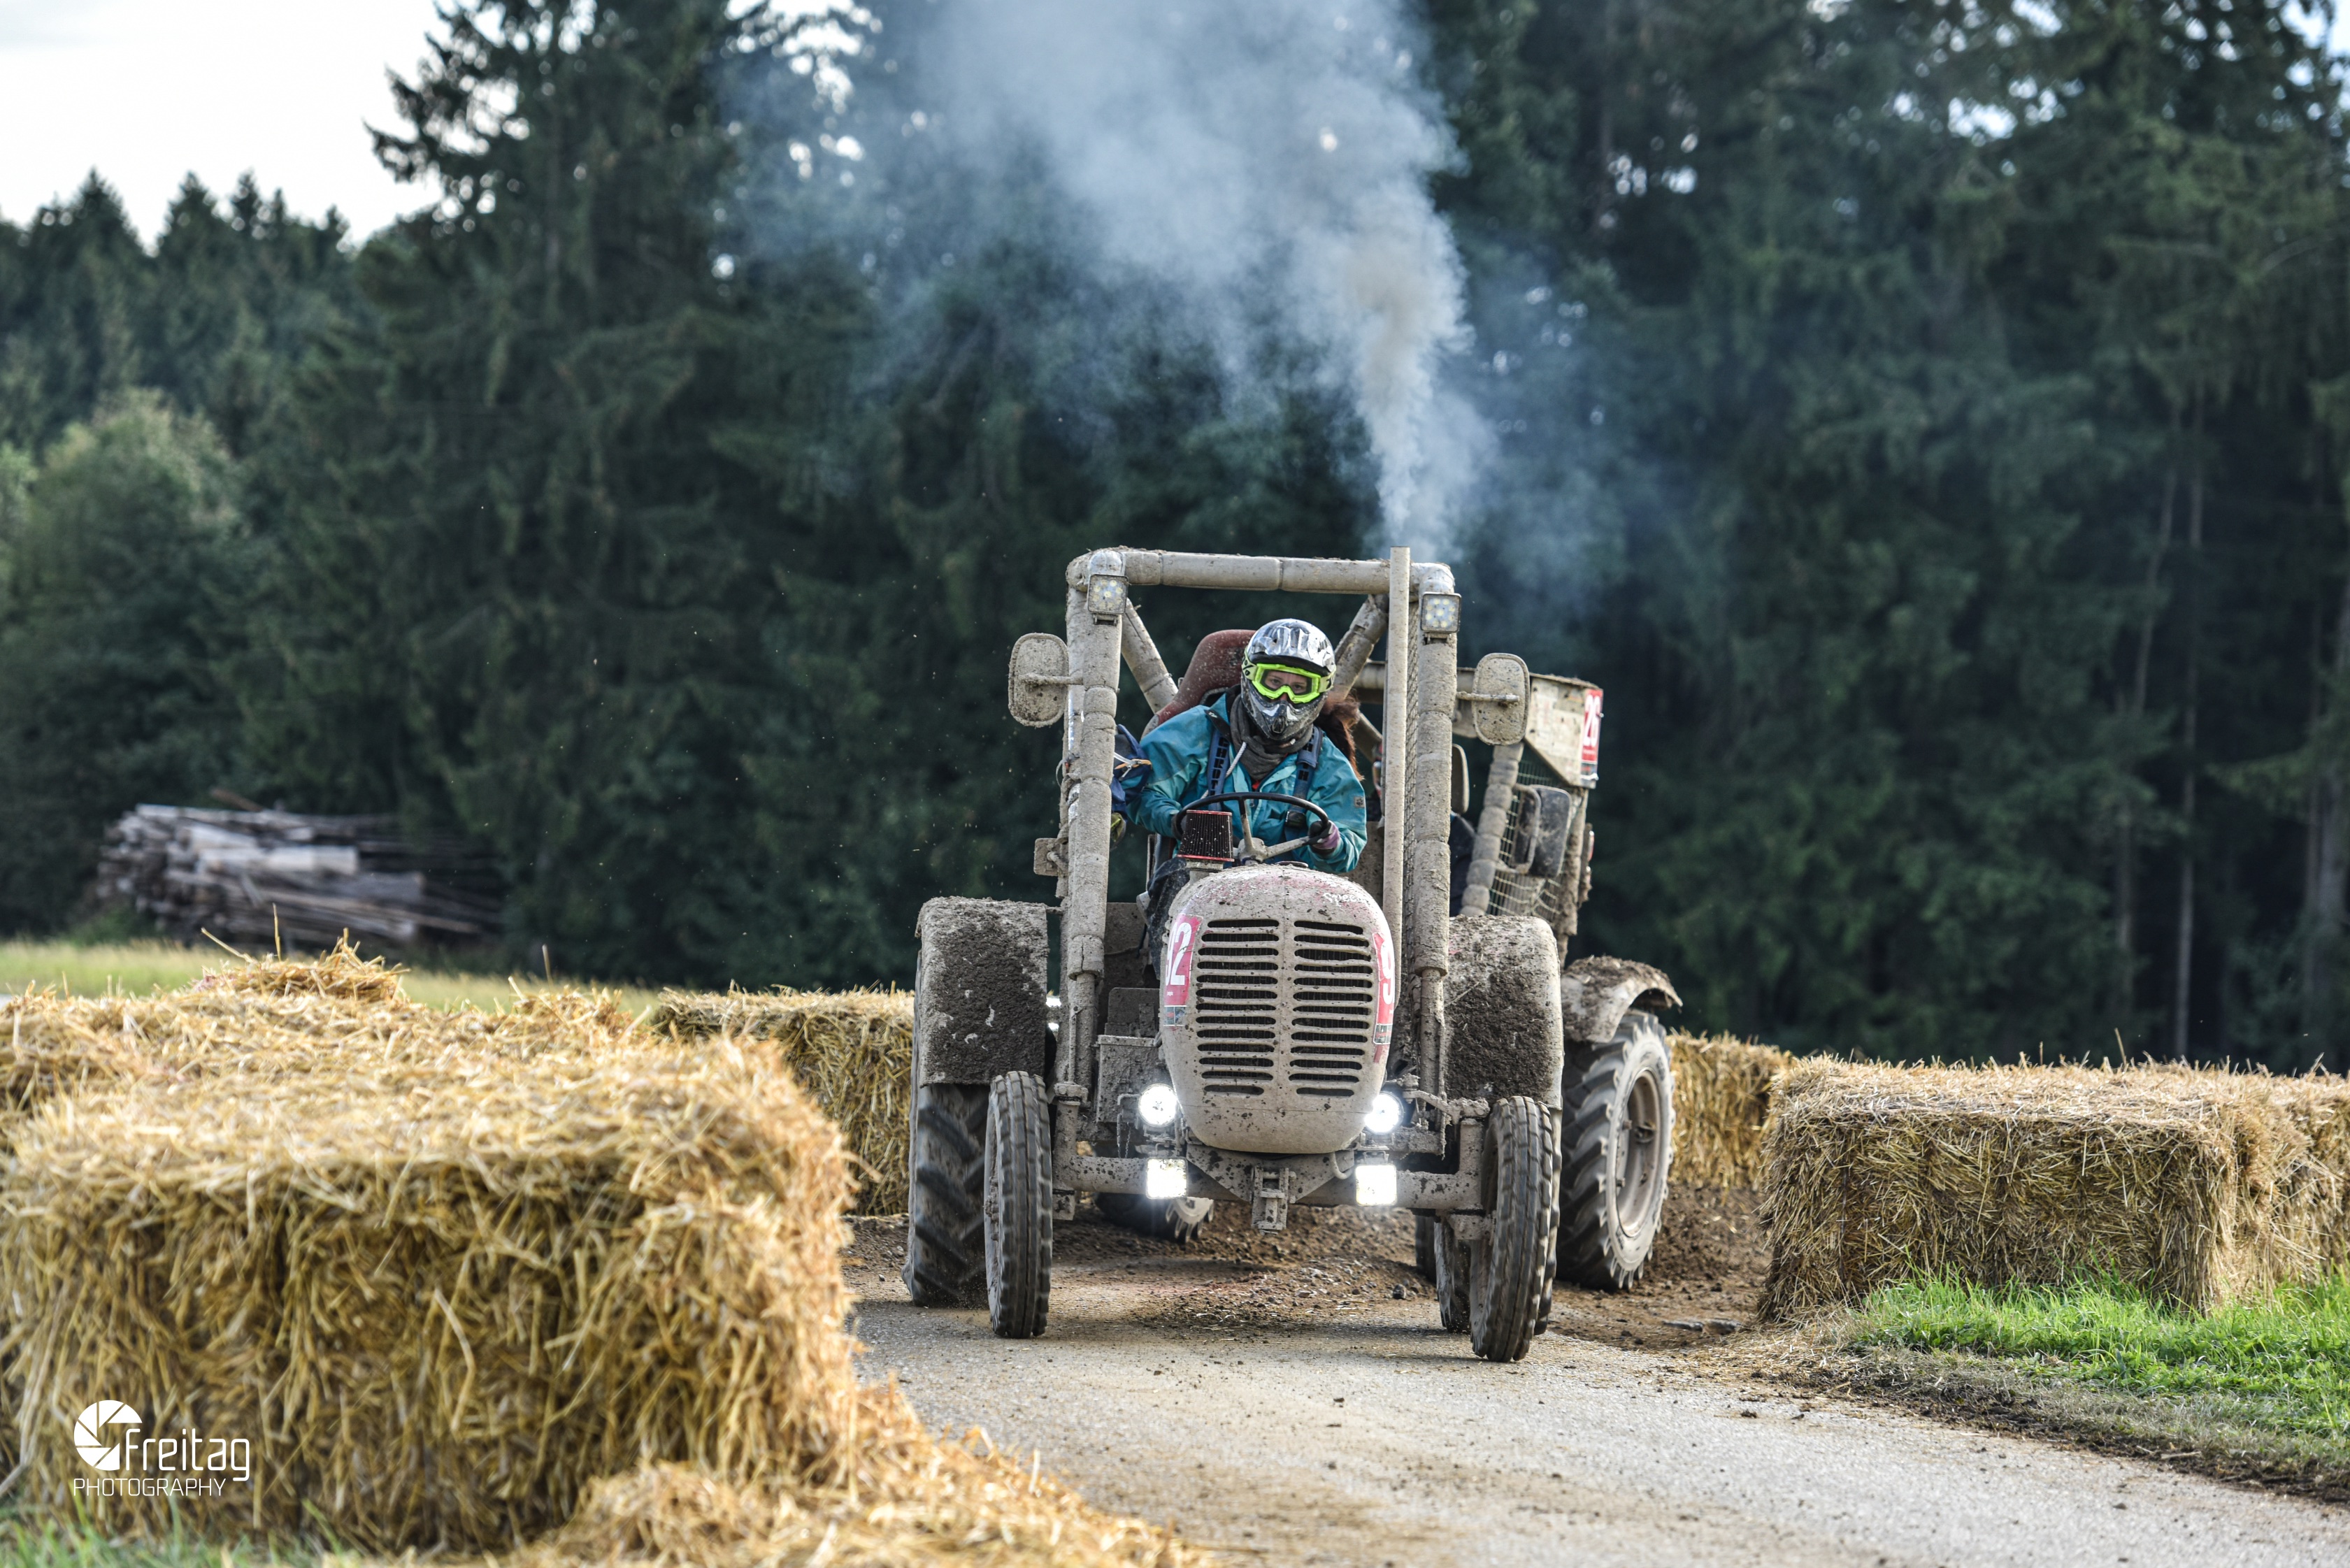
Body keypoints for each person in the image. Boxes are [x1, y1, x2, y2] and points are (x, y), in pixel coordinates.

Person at [1126, 619, 1368, 964]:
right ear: (1250, 677)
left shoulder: (1328, 763)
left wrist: (1330, 841)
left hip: (1292, 894)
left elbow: (1350, 842)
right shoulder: (1198, 729)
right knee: (1176, 878)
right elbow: (1143, 792)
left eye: (1299, 688)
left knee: (1335, 911)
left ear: (1318, 692)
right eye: (1274, 682)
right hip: (1200, 878)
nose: (1284, 698)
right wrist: (1181, 821)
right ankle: (1169, 980)